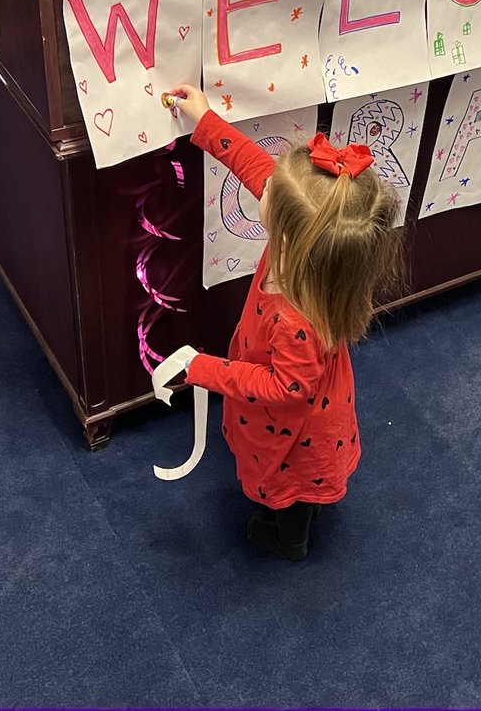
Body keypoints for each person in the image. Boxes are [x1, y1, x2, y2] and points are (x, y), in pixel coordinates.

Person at [165, 84, 402, 561]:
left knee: (290, 482)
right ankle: (301, 508)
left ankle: (290, 536)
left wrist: (205, 371)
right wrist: (206, 121)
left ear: (290, 233)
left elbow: (283, 388)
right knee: (297, 479)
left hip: (296, 427)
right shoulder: (310, 252)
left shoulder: (297, 319)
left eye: (272, 193)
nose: (265, 184)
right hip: (309, 402)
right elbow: (257, 168)